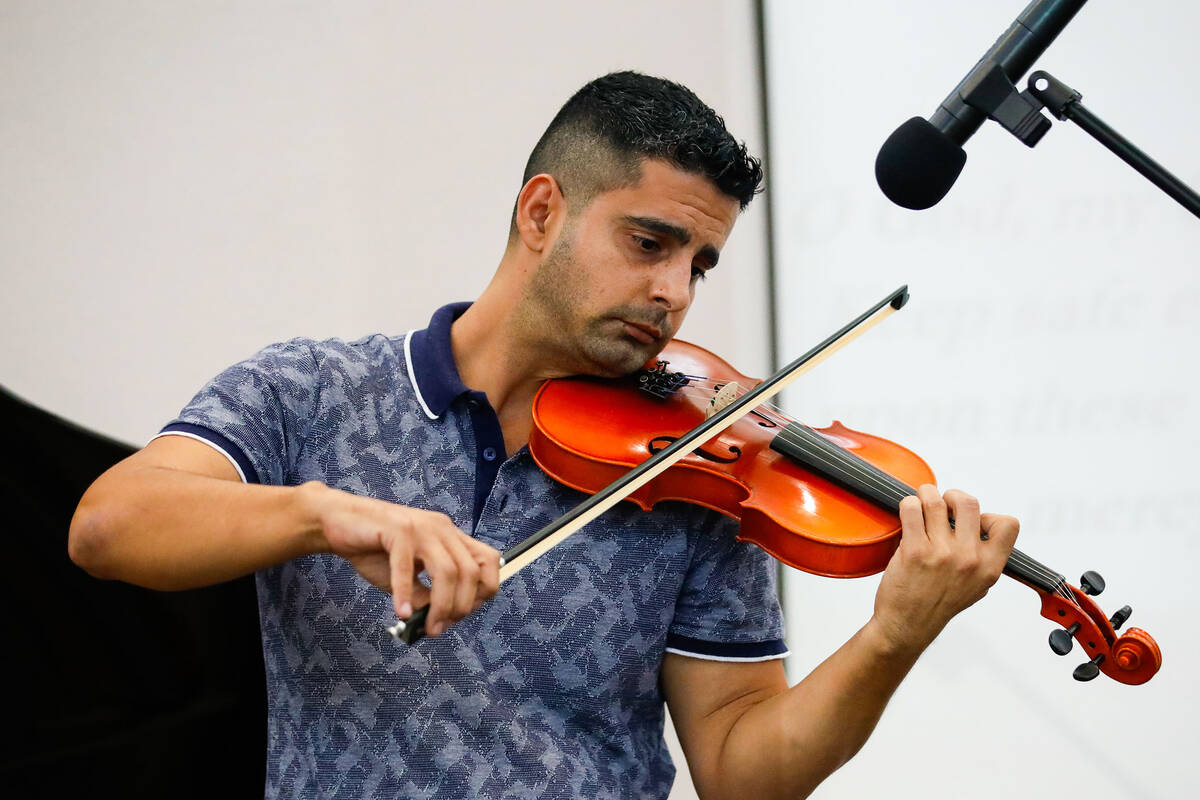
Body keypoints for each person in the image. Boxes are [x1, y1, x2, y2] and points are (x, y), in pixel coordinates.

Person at [69, 71, 1019, 799]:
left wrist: (894, 635)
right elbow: (109, 526)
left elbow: (742, 769)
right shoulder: (313, 392)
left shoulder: (694, 471)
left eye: (702, 263)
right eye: (650, 244)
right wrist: (323, 516)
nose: (676, 293)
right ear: (540, 212)